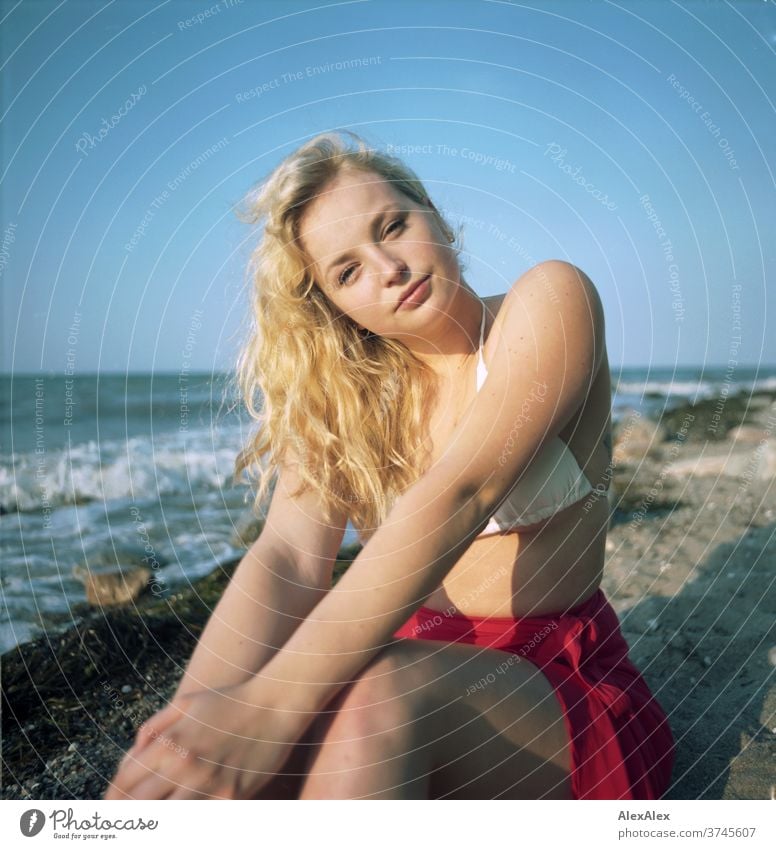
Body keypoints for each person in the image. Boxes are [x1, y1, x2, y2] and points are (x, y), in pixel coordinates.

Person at [105, 130, 674, 800]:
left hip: (551, 699)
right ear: (334, 305)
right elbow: (288, 555)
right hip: (393, 675)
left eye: (393, 226)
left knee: (372, 694)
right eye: (347, 271)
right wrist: (194, 728)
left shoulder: (549, 303)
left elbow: (461, 492)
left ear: (434, 215)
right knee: (258, 758)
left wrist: (267, 708)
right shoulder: (349, 399)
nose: (388, 267)